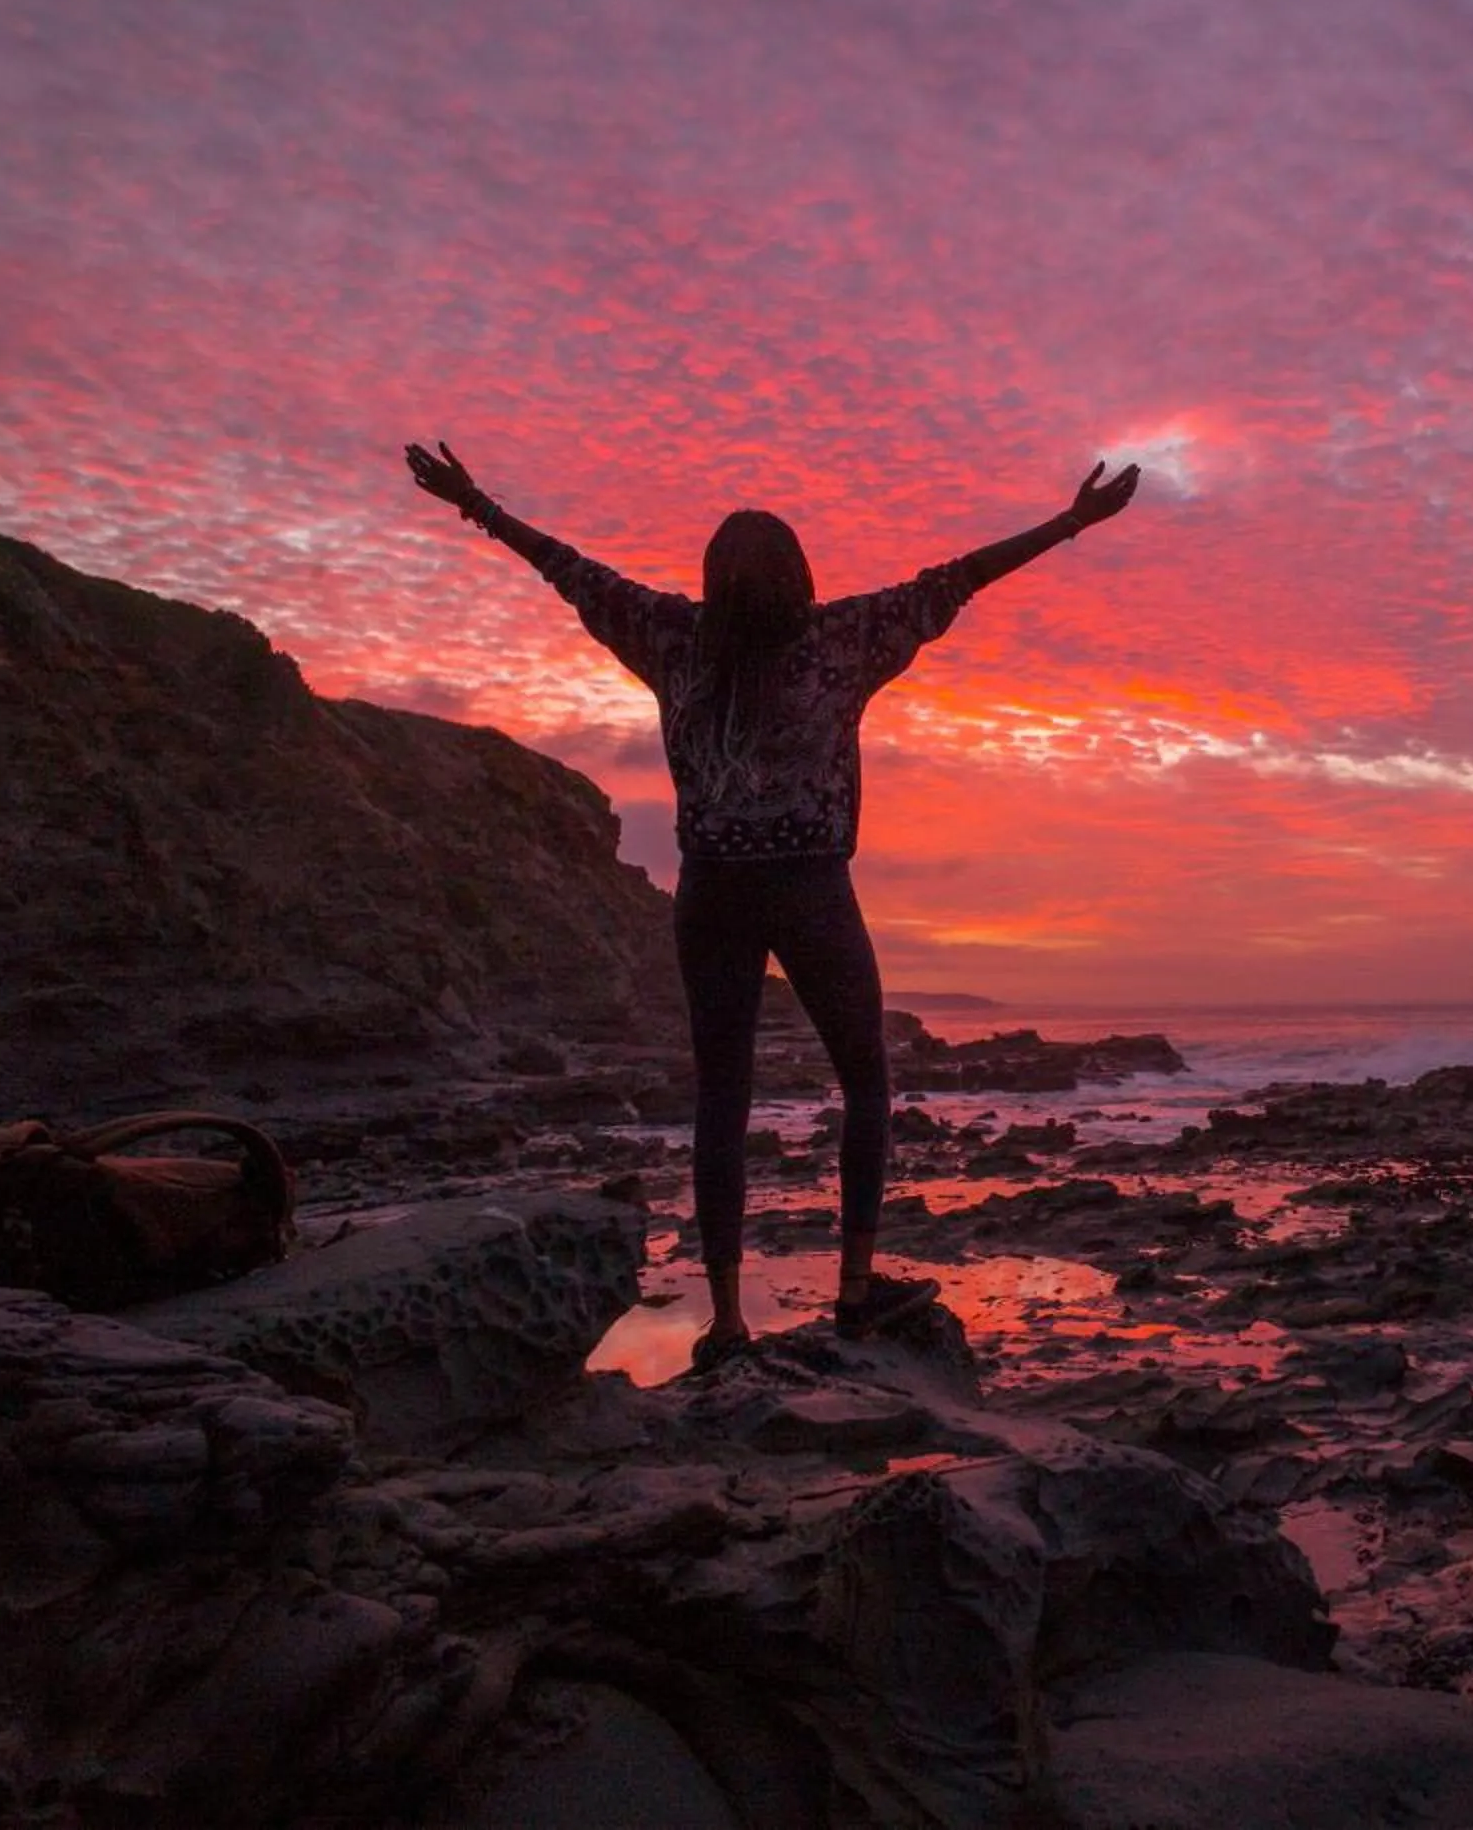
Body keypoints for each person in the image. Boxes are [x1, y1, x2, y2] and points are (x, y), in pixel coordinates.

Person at [405, 440, 1137, 1369]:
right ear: (801, 574)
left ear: (713, 579)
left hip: (711, 892)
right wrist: (1071, 523)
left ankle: (728, 1323)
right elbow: (961, 577)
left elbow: (564, 567)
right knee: (865, 1080)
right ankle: (856, 1294)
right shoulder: (842, 639)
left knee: (724, 1098)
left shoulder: (670, 637)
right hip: (812, 891)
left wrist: (475, 502)